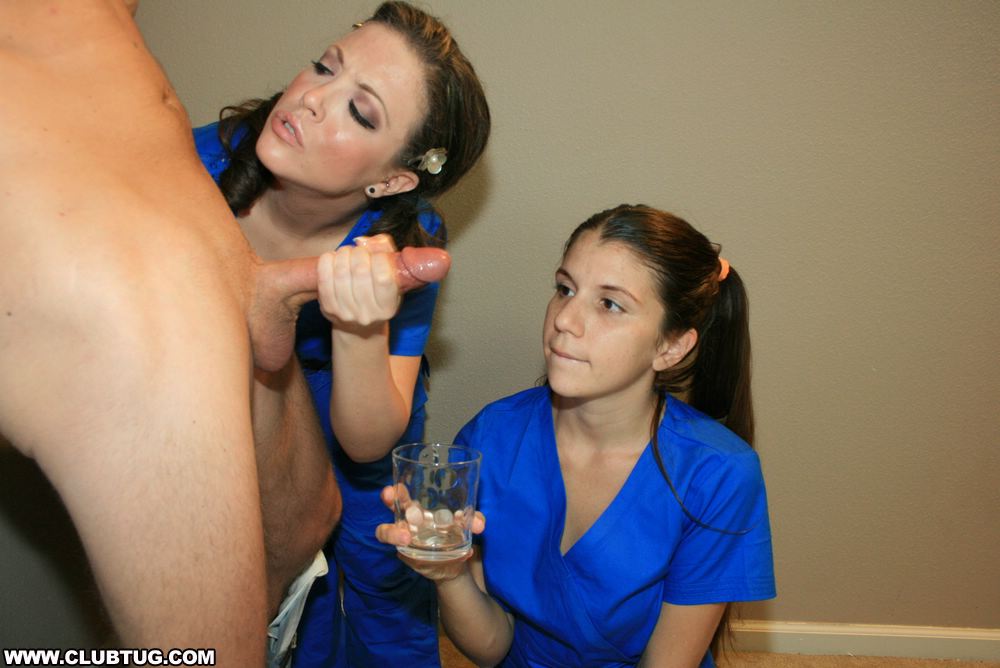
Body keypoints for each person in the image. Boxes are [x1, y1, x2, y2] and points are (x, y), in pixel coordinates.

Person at [0, 1, 343, 665]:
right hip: (95, 240)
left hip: (183, 247)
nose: (317, 97)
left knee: (309, 513)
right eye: (325, 66)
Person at [192, 3, 491, 666]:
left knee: (384, 583)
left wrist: (360, 328)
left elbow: (366, 444)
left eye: (360, 111)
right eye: (324, 67)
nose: (311, 98)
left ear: (393, 179)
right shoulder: (193, 164)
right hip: (217, 392)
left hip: (354, 396)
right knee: (233, 579)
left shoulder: (407, 243)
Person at [378, 204, 776, 667]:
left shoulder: (718, 473)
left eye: (610, 304)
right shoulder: (493, 436)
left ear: (670, 346)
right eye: (565, 289)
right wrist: (449, 573)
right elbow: (492, 648)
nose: (565, 318)